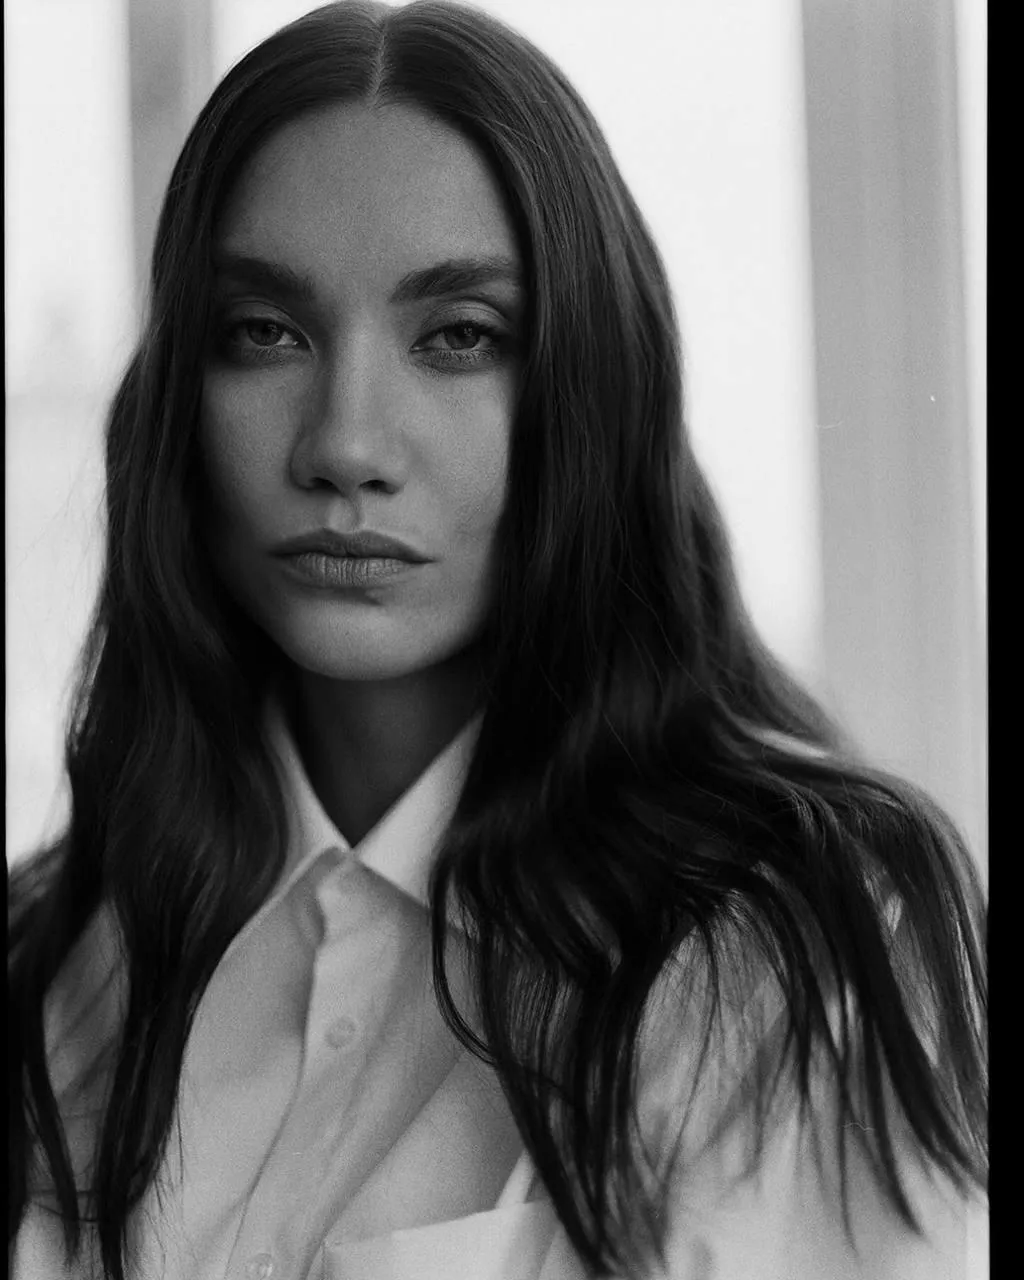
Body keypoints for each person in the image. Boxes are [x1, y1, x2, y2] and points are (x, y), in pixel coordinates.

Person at [7, 2, 987, 1278]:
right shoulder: (52, 971)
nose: (345, 444)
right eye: (264, 331)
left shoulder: (786, 954)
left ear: (587, 389)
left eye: (459, 336)